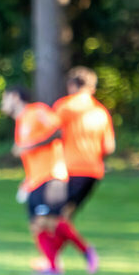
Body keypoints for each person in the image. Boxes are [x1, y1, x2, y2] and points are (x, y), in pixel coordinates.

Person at [1, 86, 96, 275]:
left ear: (15, 97)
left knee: (50, 220)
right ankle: (52, 266)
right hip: (35, 179)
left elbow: (58, 131)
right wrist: (26, 180)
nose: (2, 104)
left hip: (52, 175)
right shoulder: (21, 121)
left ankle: (86, 251)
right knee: (36, 224)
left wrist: (30, 146)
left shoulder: (37, 111)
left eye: (4, 99)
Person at [53, 66, 115, 221]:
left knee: (54, 217)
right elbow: (109, 147)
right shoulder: (100, 112)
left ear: (72, 85)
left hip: (68, 170)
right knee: (66, 215)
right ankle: (67, 245)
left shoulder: (64, 107)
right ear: (91, 87)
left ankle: (83, 246)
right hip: (93, 171)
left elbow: (52, 136)